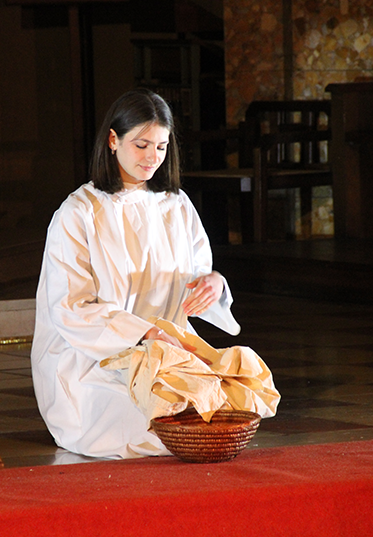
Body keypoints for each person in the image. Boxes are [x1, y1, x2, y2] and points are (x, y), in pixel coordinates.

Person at [30, 88, 242, 459]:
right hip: (96, 358)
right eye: (141, 145)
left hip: (166, 352)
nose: (151, 158)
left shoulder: (174, 205)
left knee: (229, 400)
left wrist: (213, 284)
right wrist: (143, 332)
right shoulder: (78, 214)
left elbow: (196, 273)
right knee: (153, 420)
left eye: (160, 147)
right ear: (113, 139)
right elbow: (69, 306)